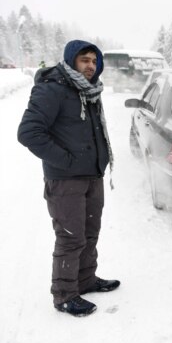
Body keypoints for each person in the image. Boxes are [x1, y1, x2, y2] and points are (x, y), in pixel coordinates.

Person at [17, 40, 120, 317]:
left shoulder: (89, 91)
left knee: (89, 233)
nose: (90, 66)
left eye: (94, 61)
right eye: (84, 60)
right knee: (71, 237)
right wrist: (67, 161)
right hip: (66, 180)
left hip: (92, 175)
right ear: (71, 60)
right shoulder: (53, 89)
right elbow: (28, 133)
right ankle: (64, 295)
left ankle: (85, 279)